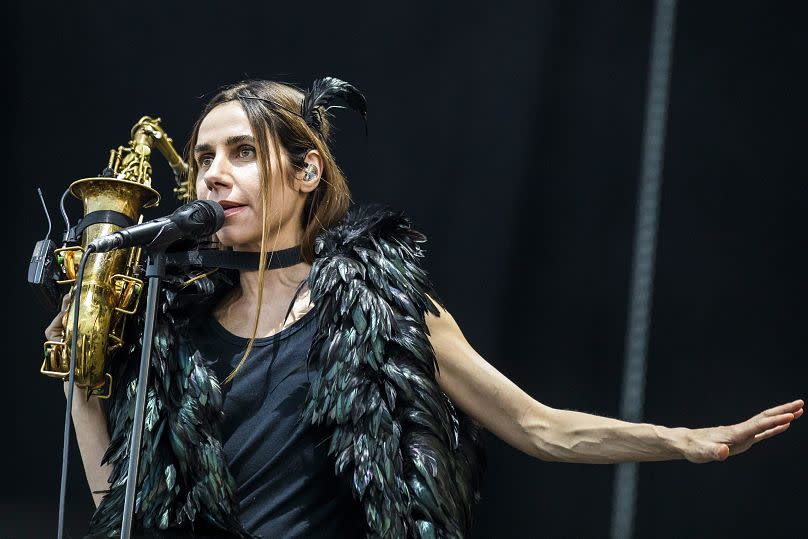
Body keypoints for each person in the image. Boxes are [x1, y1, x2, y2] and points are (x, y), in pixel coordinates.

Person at [46, 77, 803, 538]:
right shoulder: (173, 327)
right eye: (204, 157)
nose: (214, 175)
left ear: (308, 169)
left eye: (241, 151)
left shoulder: (380, 307)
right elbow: (125, 513)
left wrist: (684, 441)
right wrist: (84, 379)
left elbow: (538, 426)